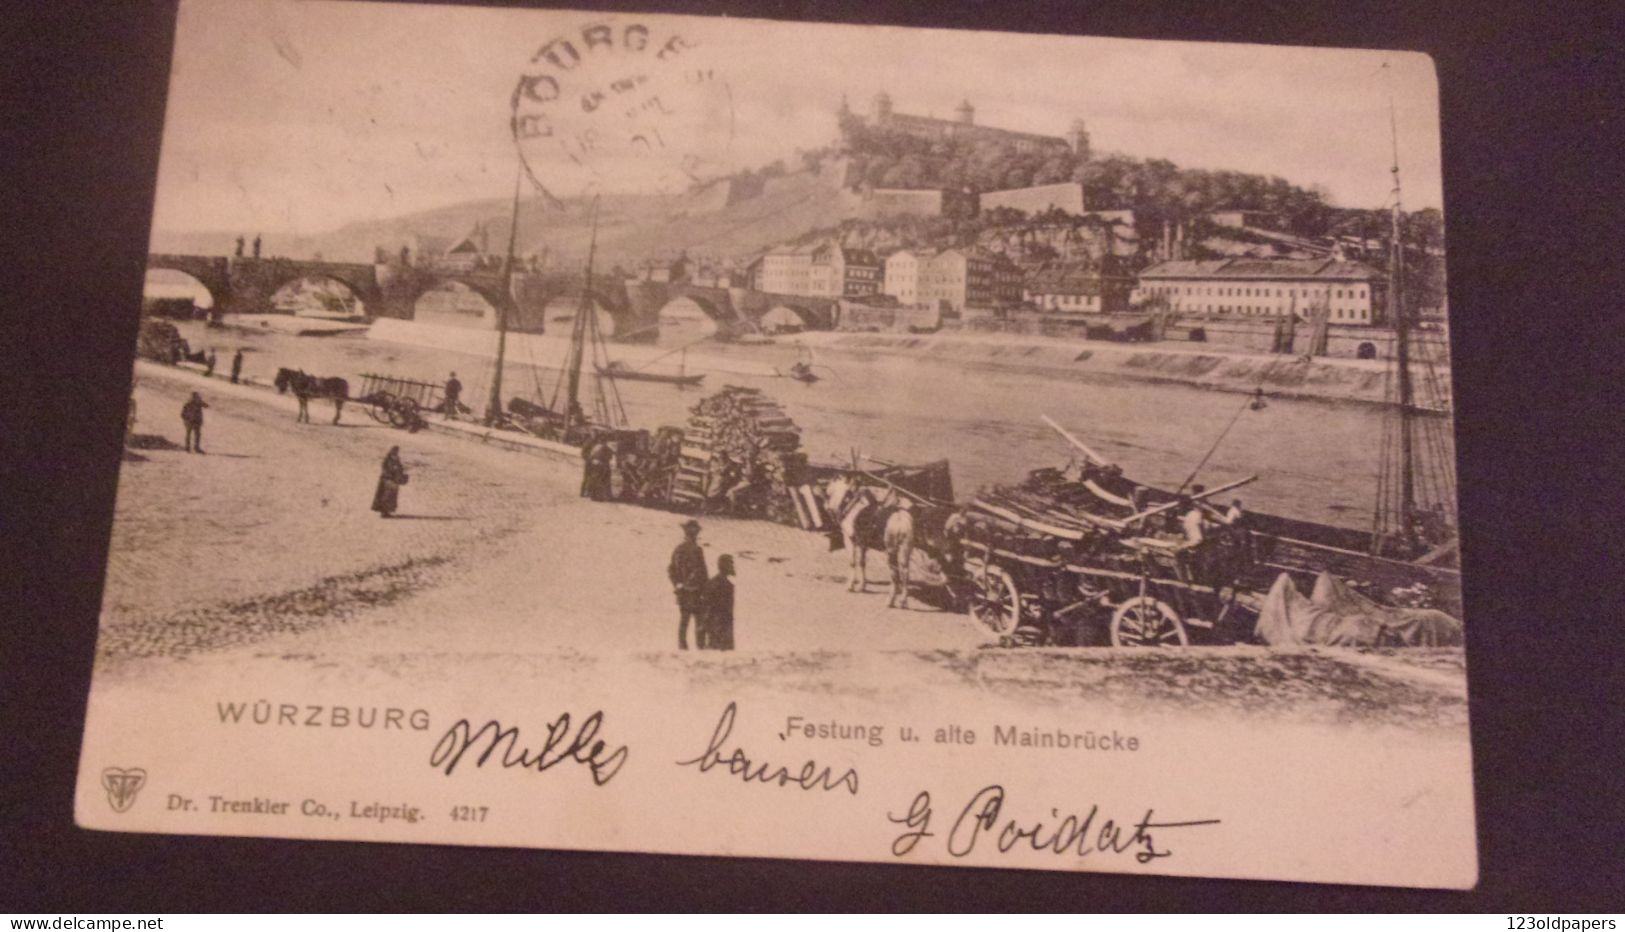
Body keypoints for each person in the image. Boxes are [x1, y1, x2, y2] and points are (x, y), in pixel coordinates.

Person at [668, 519, 708, 650]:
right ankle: (697, 647)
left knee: (688, 620)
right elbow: (701, 572)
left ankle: (685, 647)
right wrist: (680, 584)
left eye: (695, 533)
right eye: (693, 533)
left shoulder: (681, 549)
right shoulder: (690, 550)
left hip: (688, 591)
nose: (694, 535)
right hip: (694, 592)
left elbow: (671, 570)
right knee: (696, 620)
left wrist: (678, 584)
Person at [883, 496, 915, 609]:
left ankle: (892, 593)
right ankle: (904, 596)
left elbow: (886, 505)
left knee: (892, 561)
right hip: (906, 524)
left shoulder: (896, 492)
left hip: (893, 523)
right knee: (903, 563)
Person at [702, 554, 736, 651]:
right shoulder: (723, 585)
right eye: (730, 564)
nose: (732, 567)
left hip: (718, 625)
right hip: (719, 626)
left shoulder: (714, 583)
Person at [371, 446, 408, 518]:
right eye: (395, 451)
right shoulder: (388, 460)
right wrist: (392, 473)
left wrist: (399, 474)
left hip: (393, 481)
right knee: (386, 497)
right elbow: (386, 470)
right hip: (388, 481)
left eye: (397, 451)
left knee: (391, 497)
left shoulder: (396, 459)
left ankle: (387, 511)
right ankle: (384, 512)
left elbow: (400, 468)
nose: (396, 453)